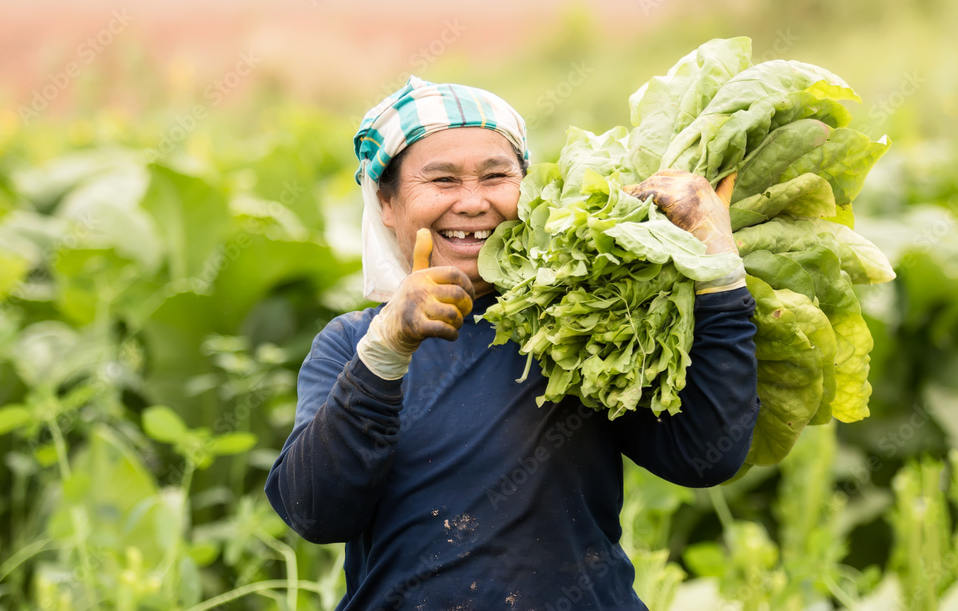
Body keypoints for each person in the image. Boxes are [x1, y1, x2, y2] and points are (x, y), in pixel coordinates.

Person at [265, 76, 759, 610]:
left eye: (497, 176)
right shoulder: (353, 346)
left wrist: (718, 272)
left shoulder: (575, 322)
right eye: (443, 180)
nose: (473, 203)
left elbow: (704, 459)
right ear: (386, 201)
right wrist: (386, 351)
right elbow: (315, 512)